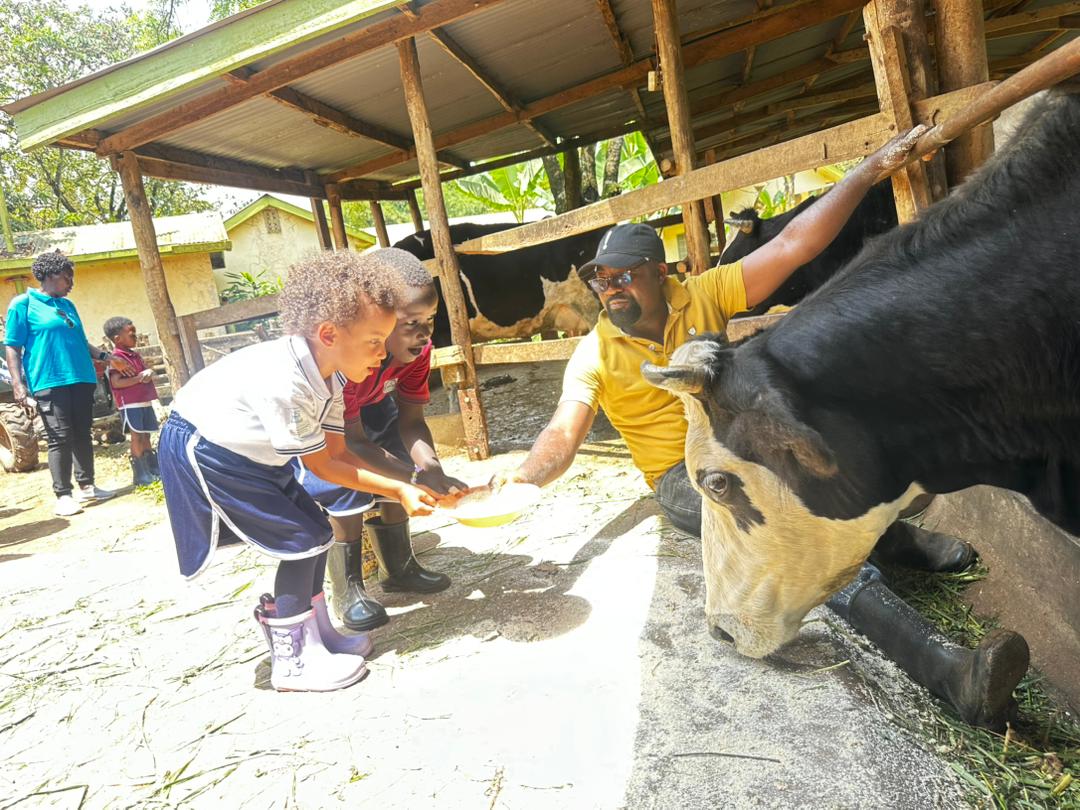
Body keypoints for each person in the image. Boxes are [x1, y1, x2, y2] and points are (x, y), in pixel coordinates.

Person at [492, 129, 1030, 731]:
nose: (610, 288)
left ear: (659, 272)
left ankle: (906, 544)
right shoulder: (593, 353)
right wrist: (524, 483)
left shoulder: (701, 293)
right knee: (794, 547)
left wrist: (868, 170)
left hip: (740, 445)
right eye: (601, 279)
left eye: (623, 275)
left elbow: (796, 244)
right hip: (685, 477)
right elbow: (563, 434)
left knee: (829, 477)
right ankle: (948, 671)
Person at [158, 249, 447, 693]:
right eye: (374, 341)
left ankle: (318, 632)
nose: (381, 354)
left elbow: (338, 452)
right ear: (329, 333)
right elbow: (325, 465)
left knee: (318, 531)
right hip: (209, 446)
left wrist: (402, 486)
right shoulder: (290, 382)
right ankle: (292, 660)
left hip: (250, 451)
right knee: (302, 539)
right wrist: (399, 486)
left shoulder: (331, 377)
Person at [294, 249, 465, 632]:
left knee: (406, 458)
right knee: (346, 483)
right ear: (378, 319)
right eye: (410, 323)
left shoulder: (418, 352)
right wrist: (414, 478)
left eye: (430, 320)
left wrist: (429, 468)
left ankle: (399, 567)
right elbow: (352, 445)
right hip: (327, 418)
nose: (423, 333)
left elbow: (412, 421)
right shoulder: (345, 361)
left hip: (372, 405)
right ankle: (348, 586)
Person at [3, 250, 136, 516]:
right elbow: (12, 347)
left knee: (81, 433)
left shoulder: (67, 306)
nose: (71, 284)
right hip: (50, 380)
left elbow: (81, 341)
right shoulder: (23, 304)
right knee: (59, 437)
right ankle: (63, 494)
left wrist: (107, 358)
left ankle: (87, 485)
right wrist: (19, 386)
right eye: (67, 278)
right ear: (51, 276)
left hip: (81, 378)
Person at [104, 316, 160, 486]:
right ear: (117, 339)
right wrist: (139, 379)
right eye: (132, 334)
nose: (135, 336)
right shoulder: (117, 358)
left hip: (144, 400)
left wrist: (148, 372)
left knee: (146, 434)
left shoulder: (134, 355)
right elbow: (116, 382)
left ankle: (152, 467)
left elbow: (142, 373)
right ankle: (140, 473)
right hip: (130, 403)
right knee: (136, 436)